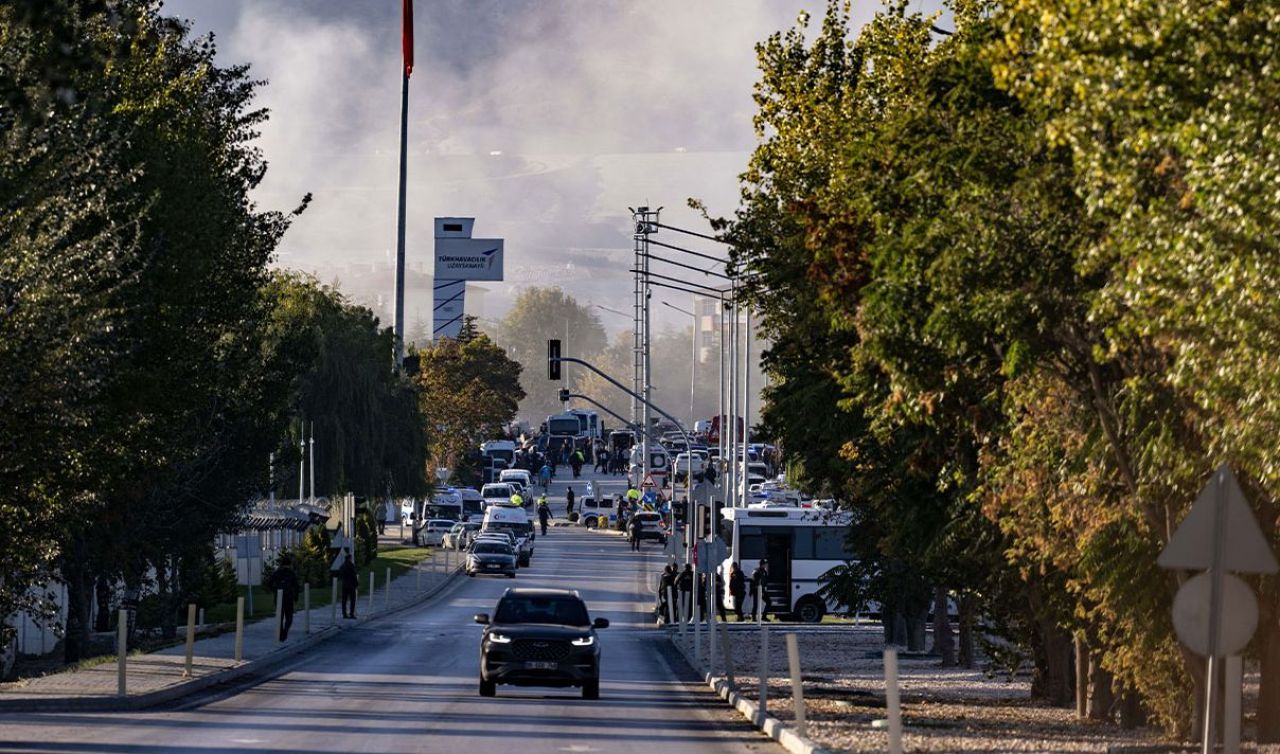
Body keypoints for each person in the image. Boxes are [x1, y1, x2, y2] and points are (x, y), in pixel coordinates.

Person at [265, 553, 301, 641]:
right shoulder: (291, 573)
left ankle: (280, 632)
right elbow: (296, 586)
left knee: (280, 616)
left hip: (279, 597)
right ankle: (285, 631)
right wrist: (296, 596)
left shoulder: (277, 573)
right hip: (289, 597)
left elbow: (269, 583)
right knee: (289, 616)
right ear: (289, 564)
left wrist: (275, 590)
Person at [338, 549, 359, 619]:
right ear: (350, 558)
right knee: (352, 600)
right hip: (351, 585)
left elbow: (340, 575)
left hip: (344, 585)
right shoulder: (351, 566)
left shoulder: (342, 566)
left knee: (344, 600)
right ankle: (351, 614)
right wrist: (356, 584)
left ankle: (344, 614)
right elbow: (354, 575)